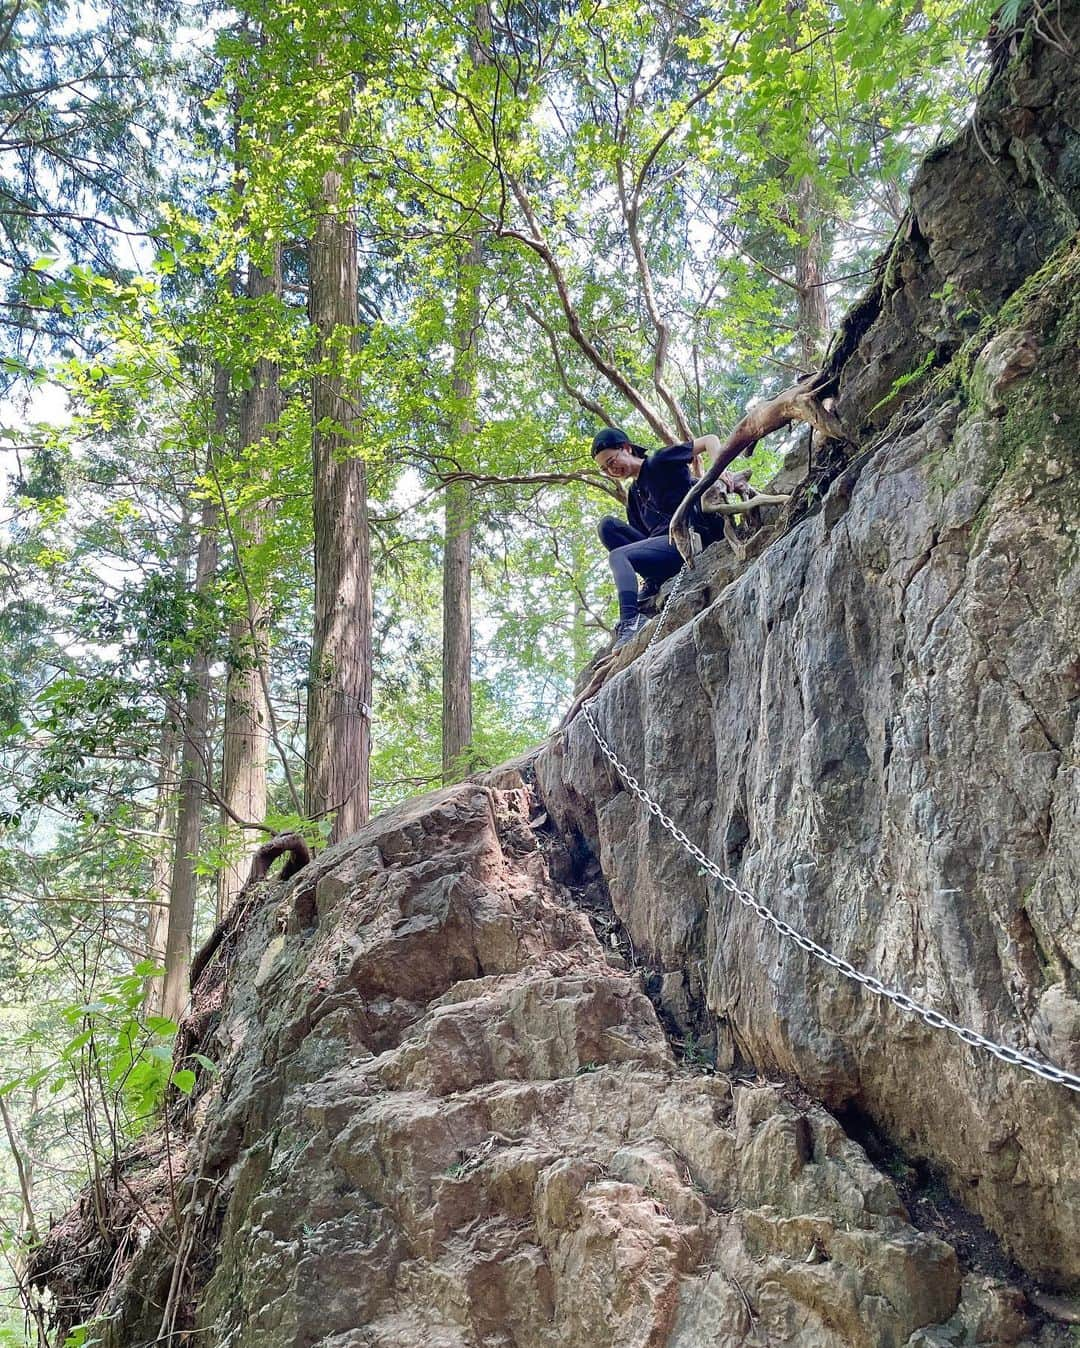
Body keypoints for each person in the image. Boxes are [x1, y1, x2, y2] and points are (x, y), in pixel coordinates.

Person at [592, 426, 732, 647]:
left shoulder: (658, 461)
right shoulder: (634, 496)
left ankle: (630, 621)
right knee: (607, 526)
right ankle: (653, 581)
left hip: (688, 538)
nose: (611, 470)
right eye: (605, 469)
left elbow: (709, 439)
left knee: (619, 557)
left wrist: (721, 470)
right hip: (663, 553)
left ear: (626, 448)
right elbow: (645, 539)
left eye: (611, 461)